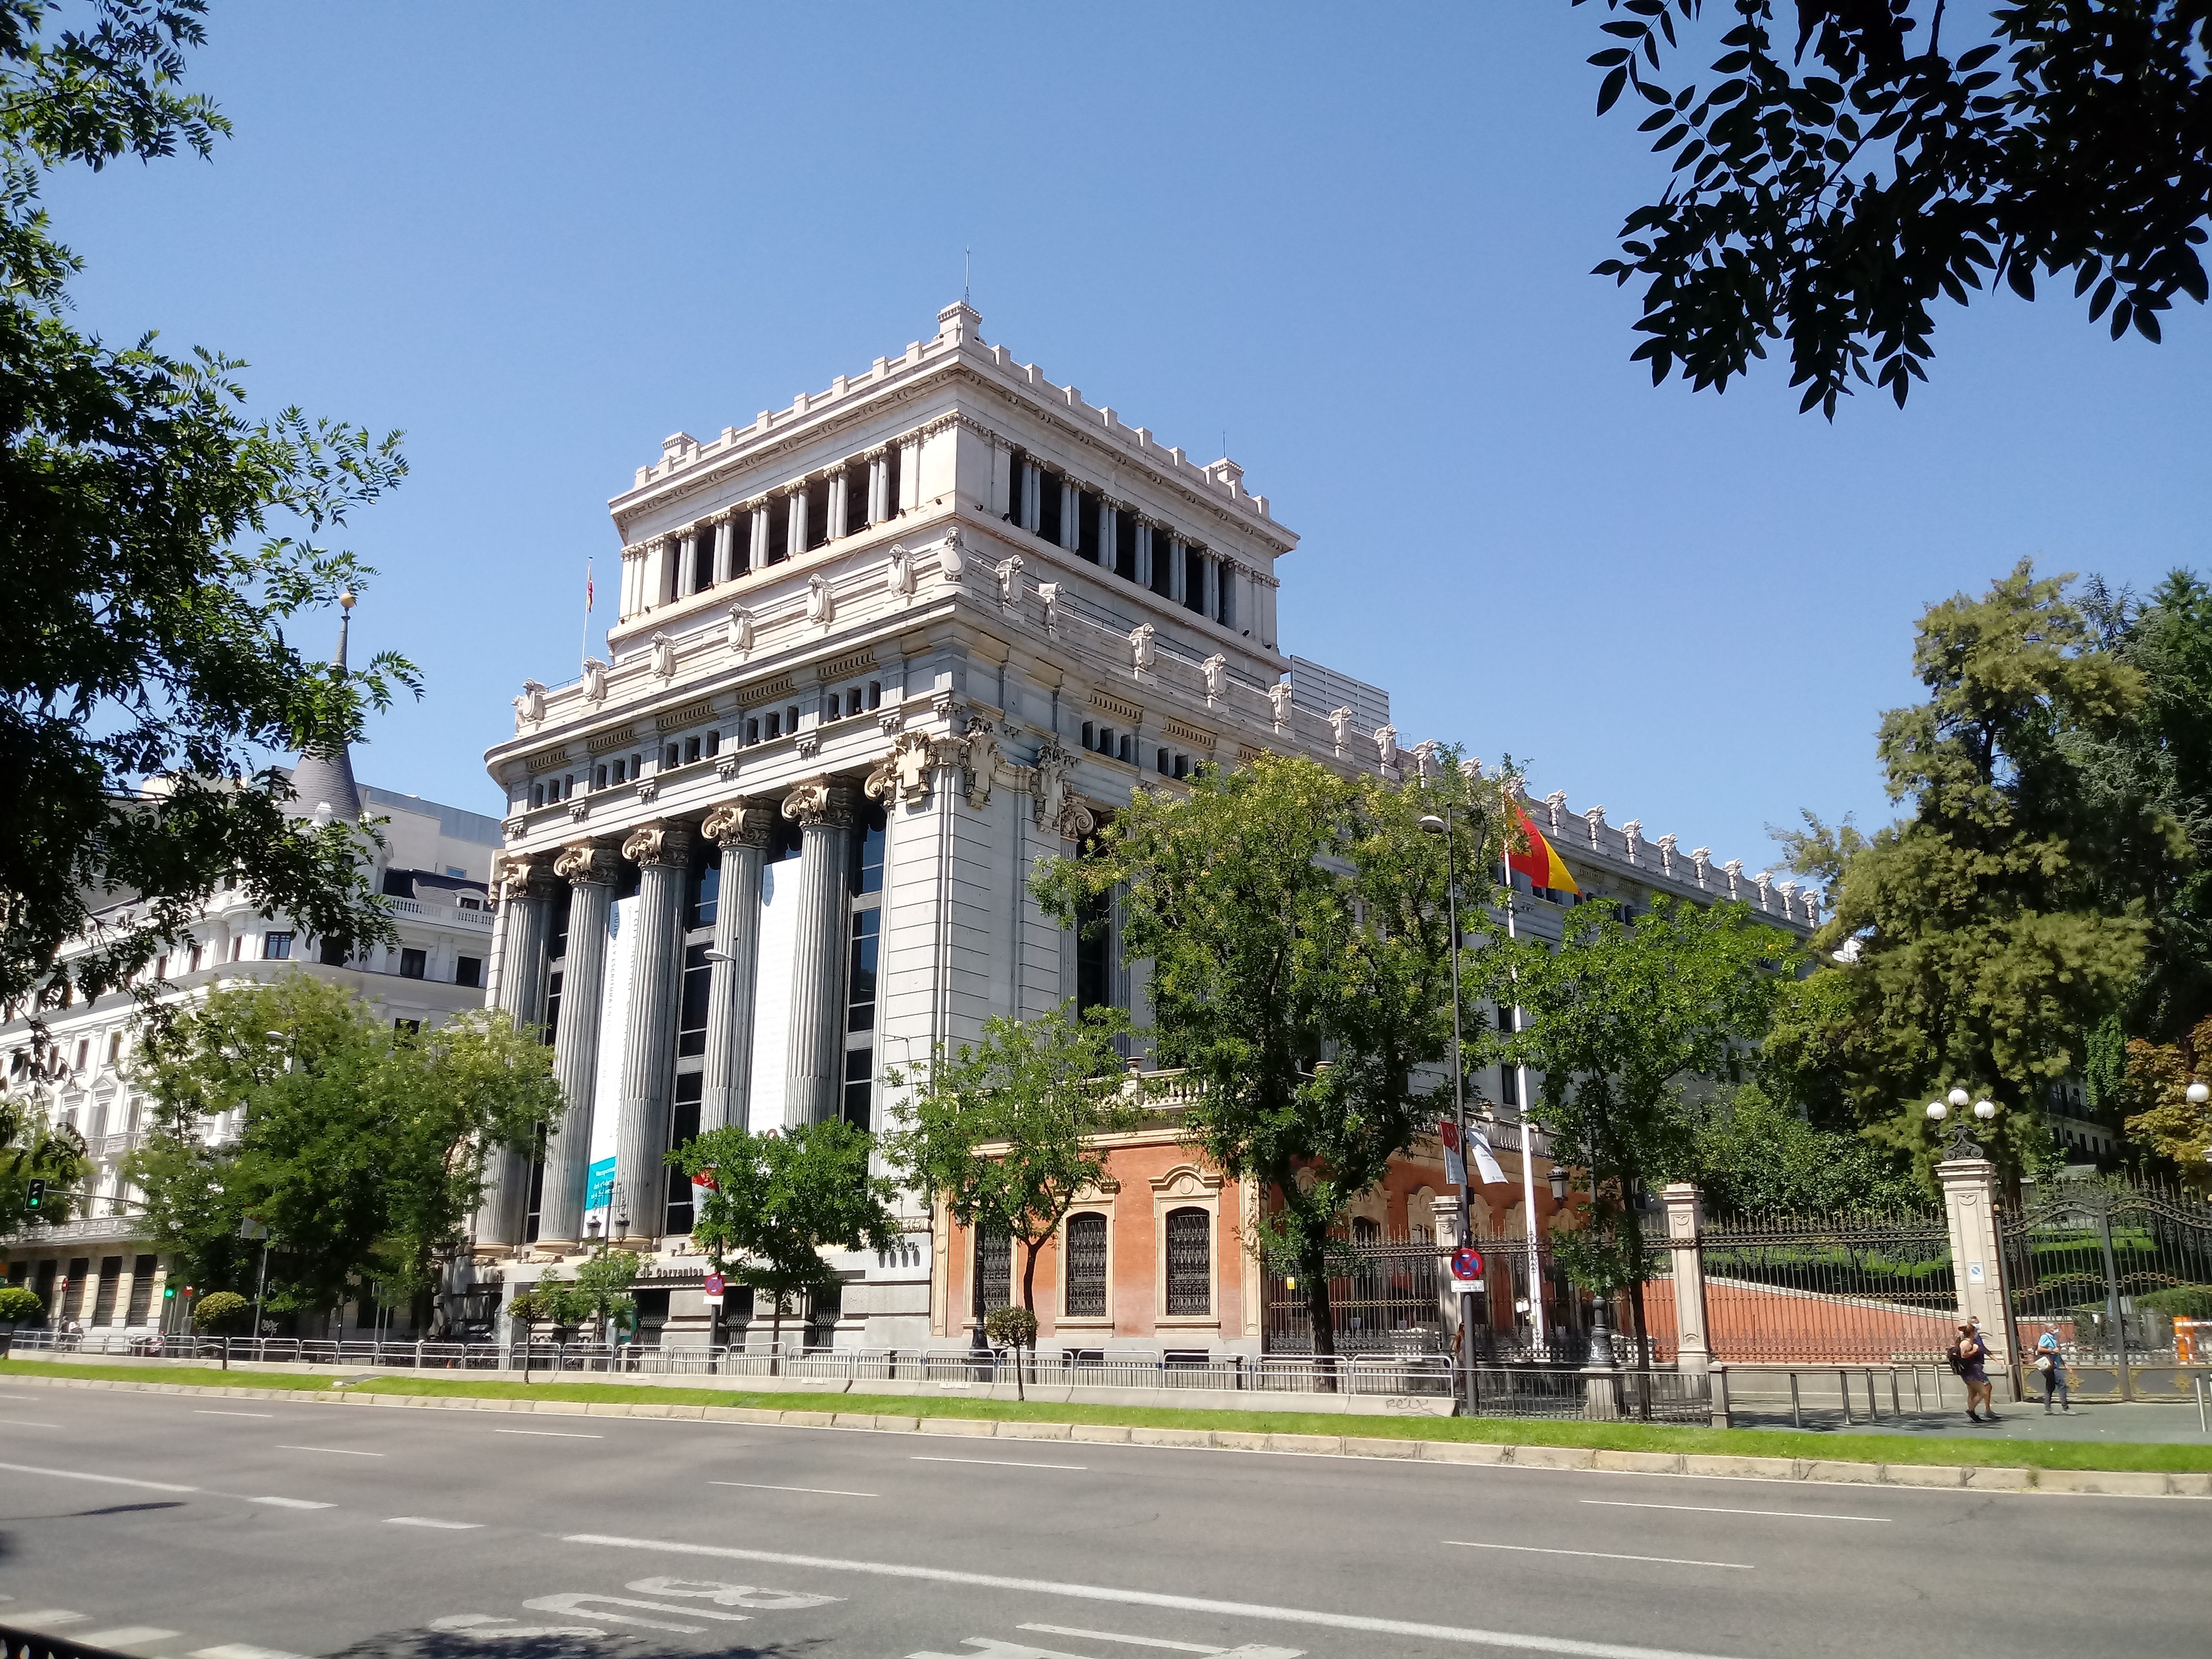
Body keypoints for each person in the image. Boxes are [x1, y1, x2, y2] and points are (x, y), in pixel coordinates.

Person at [1950, 1321, 1997, 1423]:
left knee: (1973, 1393)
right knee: (1983, 1392)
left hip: (1974, 1370)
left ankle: (1973, 1413)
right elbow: (1964, 1356)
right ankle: (1971, 1410)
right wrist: (1974, 1351)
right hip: (1971, 1372)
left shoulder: (1970, 1342)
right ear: (1972, 1333)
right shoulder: (1966, 1343)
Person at [2033, 1331, 2072, 1414]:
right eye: (2054, 1328)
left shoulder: (2054, 1340)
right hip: (2050, 1366)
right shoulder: (2045, 1337)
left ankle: (2047, 1409)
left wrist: (2065, 1365)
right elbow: (2040, 1349)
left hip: (2053, 1365)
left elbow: (2057, 1354)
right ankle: (2065, 1408)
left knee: (2050, 1386)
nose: (2057, 1331)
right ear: (2049, 1329)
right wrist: (2052, 1350)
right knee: (2062, 1385)